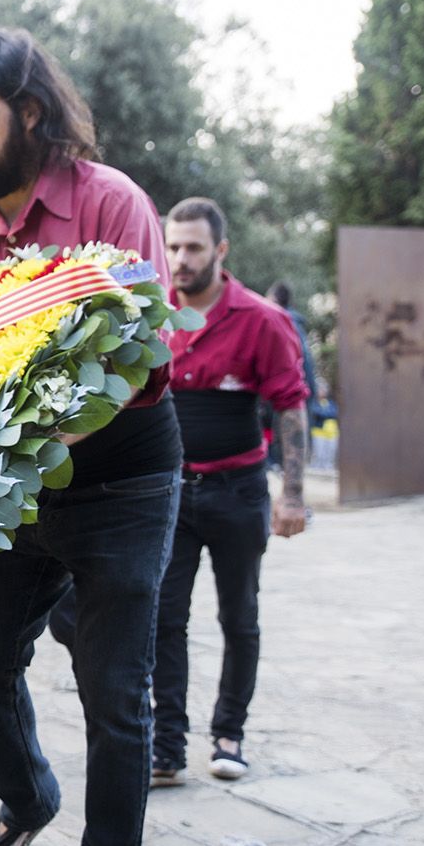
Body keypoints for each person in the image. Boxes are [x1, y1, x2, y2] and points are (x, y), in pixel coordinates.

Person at [0, 28, 181, 846]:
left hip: (123, 483)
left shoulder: (111, 205)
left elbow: (143, 357)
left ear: (29, 113)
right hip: (16, 491)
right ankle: (26, 796)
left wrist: (39, 430)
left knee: (115, 691)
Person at [151, 198, 308, 789]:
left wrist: (291, 496)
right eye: (172, 247)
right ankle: (165, 746)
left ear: (220, 251)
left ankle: (228, 735)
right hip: (169, 493)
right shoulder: (153, 313)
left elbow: (291, 406)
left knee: (239, 618)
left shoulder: (262, 319)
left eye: (192, 247)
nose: (180, 259)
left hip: (240, 492)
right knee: (164, 620)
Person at [264, 281, 318, 470]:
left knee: (284, 452)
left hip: (290, 398)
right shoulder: (296, 325)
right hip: (302, 395)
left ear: (274, 300)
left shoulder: (283, 323)